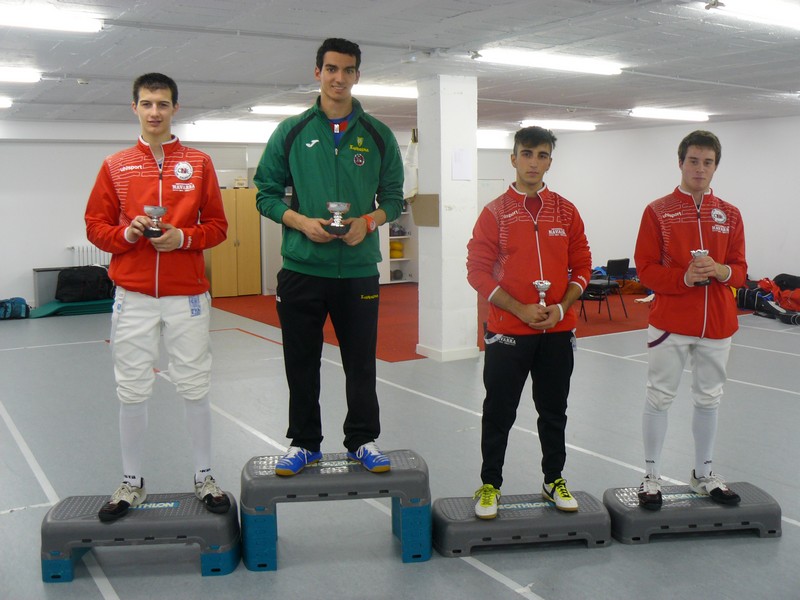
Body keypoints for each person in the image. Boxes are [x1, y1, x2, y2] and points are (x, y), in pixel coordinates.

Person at [253, 38, 404, 476]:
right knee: (300, 361)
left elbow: (394, 198)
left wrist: (369, 221)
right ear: (317, 72)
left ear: (358, 75)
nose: (340, 78)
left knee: (361, 361)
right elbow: (264, 195)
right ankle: (304, 444)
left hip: (357, 272)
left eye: (349, 70)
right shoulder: (291, 131)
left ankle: (362, 440)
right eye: (332, 69)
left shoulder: (377, 134)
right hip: (302, 269)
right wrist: (299, 221)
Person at [85, 73, 231, 521]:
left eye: (162, 104)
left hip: (186, 294)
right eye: (146, 104)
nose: (154, 112)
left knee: (195, 384)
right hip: (133, 294)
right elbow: (95, 226)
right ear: (134, 108)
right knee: (131, 389)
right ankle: (132, 483)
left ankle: (204, 476)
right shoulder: (115, 165)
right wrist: (127, 234)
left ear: (175, 109)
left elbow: (218, 227)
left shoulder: (200, 164)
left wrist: (183, 239)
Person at [466, 126, 592, 518]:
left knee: (554, 410)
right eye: (526, 154)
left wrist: (560, 308)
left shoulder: (566, 211)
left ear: (550, 160)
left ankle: (553, 478)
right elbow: (477, 271)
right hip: (508, 331)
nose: (533, 162)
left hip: (556, 330)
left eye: (541, 155)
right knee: (499, 411)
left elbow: (583, 265)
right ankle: (490, 485)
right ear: (513, 159)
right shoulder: (495, 213)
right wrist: (519, 309)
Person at [634, 130, 747, 510]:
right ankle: (651, 476)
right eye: (694, 161)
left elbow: (741, 270)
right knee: (659, 397)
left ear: (716, 166)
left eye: (708, 162)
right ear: (680, 162)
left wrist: (720, 270)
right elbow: (646, 270)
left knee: (709, 400)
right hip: (670, 324)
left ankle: (704, 473)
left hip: (717, 324)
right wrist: (683, 278)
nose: (700, 169)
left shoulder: (730, 214)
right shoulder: (658, 211)